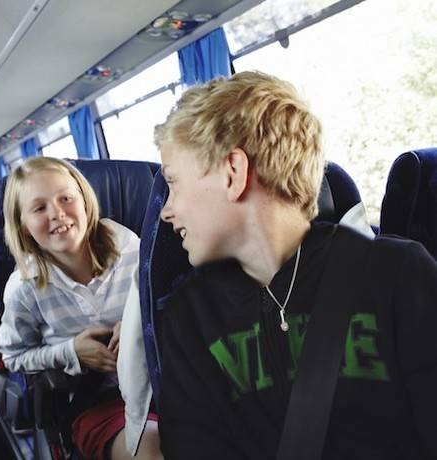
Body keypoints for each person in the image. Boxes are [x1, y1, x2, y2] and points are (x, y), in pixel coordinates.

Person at [154, 71, 437, 459]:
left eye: (173, 182)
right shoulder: (190, 316)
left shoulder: (398, 275)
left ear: (233, 174)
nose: (166, 211)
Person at [0, 157, 162, 460]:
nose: (57, 213)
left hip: (160, 382)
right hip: (100, 402)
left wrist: (140, 321)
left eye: (66, 198)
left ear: (85, 201)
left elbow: (171, 308)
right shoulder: (24, 288)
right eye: (39, 208)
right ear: (24, 228)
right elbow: (13, 357)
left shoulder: (132, 249)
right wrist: (72, 352)